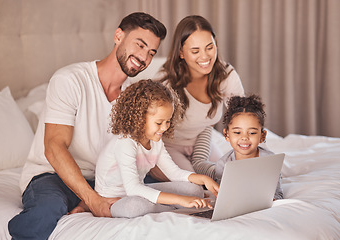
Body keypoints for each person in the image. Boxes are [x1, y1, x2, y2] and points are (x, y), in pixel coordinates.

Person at [8, 12, 167, 240]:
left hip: (108, 177)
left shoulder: (135, 98)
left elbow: (146, 156)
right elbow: (54, 147)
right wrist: (93, 201)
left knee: (160, 196)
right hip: (54, 176)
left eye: (151, 52)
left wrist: (195, 181)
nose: (144, 57)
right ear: (118, 36)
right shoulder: (70, 80)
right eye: (140, 45)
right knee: (47, 210)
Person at [90, 79, 218, 218]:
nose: (164, 127)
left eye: (168, 121)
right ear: (138, 118)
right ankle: (172, 207)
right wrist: (180, 200)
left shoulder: (156, 141)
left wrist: (204, 179)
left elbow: (174, 173)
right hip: (115, 199)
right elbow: (133, 188)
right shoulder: (125, 143)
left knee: (194, 190)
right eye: (159, 122)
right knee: (136, 207)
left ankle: (168, 206)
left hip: (138, 192)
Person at [149, 15, 244, 181]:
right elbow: (148, 127)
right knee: (195, 190)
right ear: (181, 53)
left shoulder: (226, 75)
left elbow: (243, 116)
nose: (205, 57)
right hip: (169, 146)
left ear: (216, 43)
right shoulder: (166, 82)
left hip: (201, 142)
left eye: (209, 47)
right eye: (195, 51)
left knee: (231, 177)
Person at [191, 94, 283, 200]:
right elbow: (223, 197)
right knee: (198, 163)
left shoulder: (270, 161)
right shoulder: (223, 164)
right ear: (227, 135)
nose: (244, 138)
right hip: (213, 172)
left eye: (252, 133)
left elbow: (278, 194)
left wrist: (272, 200)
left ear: (262, 136)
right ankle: (207, 126)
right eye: (237, 132)